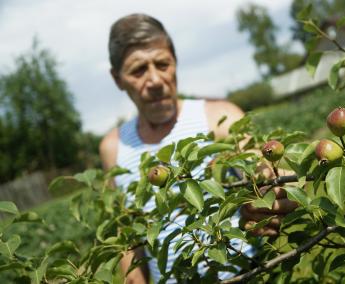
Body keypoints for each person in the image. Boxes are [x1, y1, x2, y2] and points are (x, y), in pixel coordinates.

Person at [99, 13, 297, 283]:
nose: (156, 80)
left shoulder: (218, 118)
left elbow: (262, 170)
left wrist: (267, 193)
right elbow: (128, 237)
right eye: (138, 70)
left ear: (175, 63)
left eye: (162, 64)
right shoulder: (113, 148)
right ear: (117, 79)